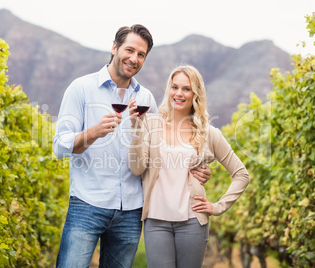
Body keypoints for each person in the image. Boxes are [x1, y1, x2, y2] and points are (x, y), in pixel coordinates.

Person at [53, 25, 212, 267]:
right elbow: (60, 145)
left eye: (141, 55)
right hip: (87, 205)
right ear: (114, 48)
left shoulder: (146, 99)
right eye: (129, 50)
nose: (134, 58)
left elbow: (160, 152)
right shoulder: (81, 88)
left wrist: (193, 170)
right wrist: (93, 132)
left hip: (131, 212)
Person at [128, 65, 250, 268]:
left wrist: (218, 207)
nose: (179, 93)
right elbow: (137, 168)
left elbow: (241, 174)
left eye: (186, 88)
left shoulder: (208, 133)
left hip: (192, 221)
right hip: (156, 221)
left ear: (196, 94)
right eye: (174, 87)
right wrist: (135, 128)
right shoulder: (150, 123)